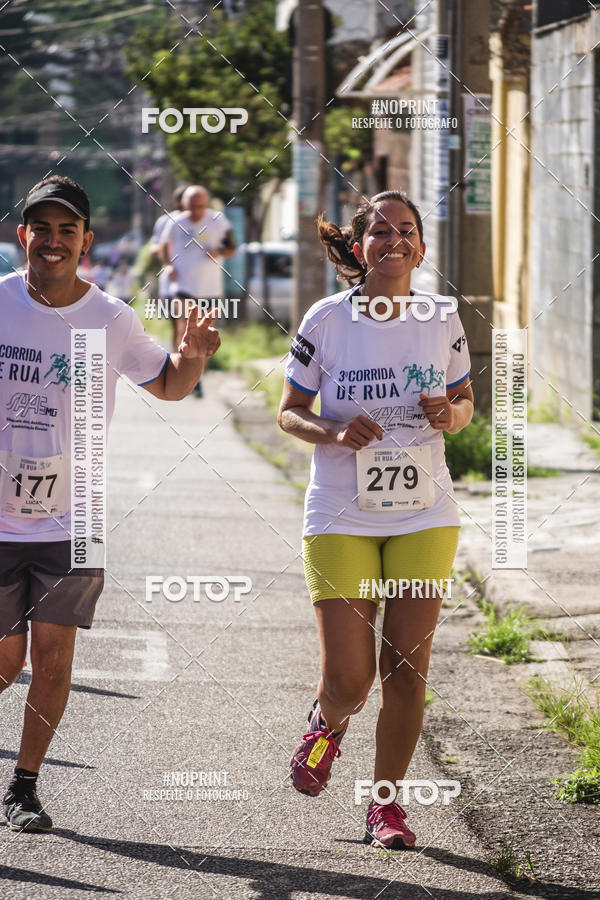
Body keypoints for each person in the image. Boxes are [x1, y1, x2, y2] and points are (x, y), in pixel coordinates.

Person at [0, 175, 220, 833]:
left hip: (76, 518)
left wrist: (192, 358)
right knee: (5, 663)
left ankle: (24, 787)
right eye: (42, 229)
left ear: (86, 241)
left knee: (53, 659)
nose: (54, 241)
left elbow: (170, 385)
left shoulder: (111, 318)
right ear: (23, 236)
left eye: (67, 231)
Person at [278, 190, 474, 849]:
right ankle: (327, 722)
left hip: (425, 514)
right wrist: (334, 431)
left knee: (406, 671)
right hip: (341, 512)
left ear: (422, 246)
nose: (396, 240)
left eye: (407, 230)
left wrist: (450, 415)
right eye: (381, 231)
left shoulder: (441, 315)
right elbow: (289, 412)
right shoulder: (327, 318)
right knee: (350, 680)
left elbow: (465, 401)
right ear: (360, 248)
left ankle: (385, 807)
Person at [163, 185, 236, 396]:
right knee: (183, 329)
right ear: (184, 205)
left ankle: (197, 378)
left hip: (210, 288)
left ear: (207, 204)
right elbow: (163, 247)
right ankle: (180, 373)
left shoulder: (218, 221)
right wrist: (168, 266)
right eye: (192, 207)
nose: (196, 211)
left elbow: (231, 248)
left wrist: (219, 251)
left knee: (203, 335)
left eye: (201, 206)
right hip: (183, 286)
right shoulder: (175, 222)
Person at [150, 183, 187, 348]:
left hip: (198, 284)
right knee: (177, 323)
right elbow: (154, 246)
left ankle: (194, 360)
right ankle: (178, 358)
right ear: (177, 201)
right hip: (172, 281)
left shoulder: (203, 222)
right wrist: (165, 255)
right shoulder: (166, 221)